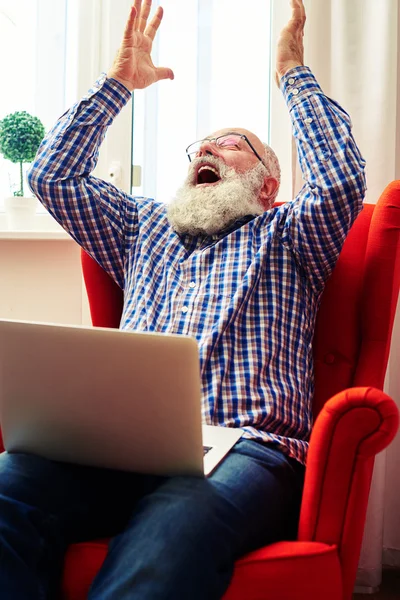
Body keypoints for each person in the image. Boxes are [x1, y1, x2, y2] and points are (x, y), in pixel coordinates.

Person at [0, 0, 366, 598]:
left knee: (175, 522)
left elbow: (342, 180)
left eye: (228, 143)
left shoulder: (293, 234)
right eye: (197, 146)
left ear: (268, 185)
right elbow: (52, 176)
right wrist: (118, 84)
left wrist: (291, 74)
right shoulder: (140, 227)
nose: (205, 151)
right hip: (115, 450)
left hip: (246, 451)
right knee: (9, 484)